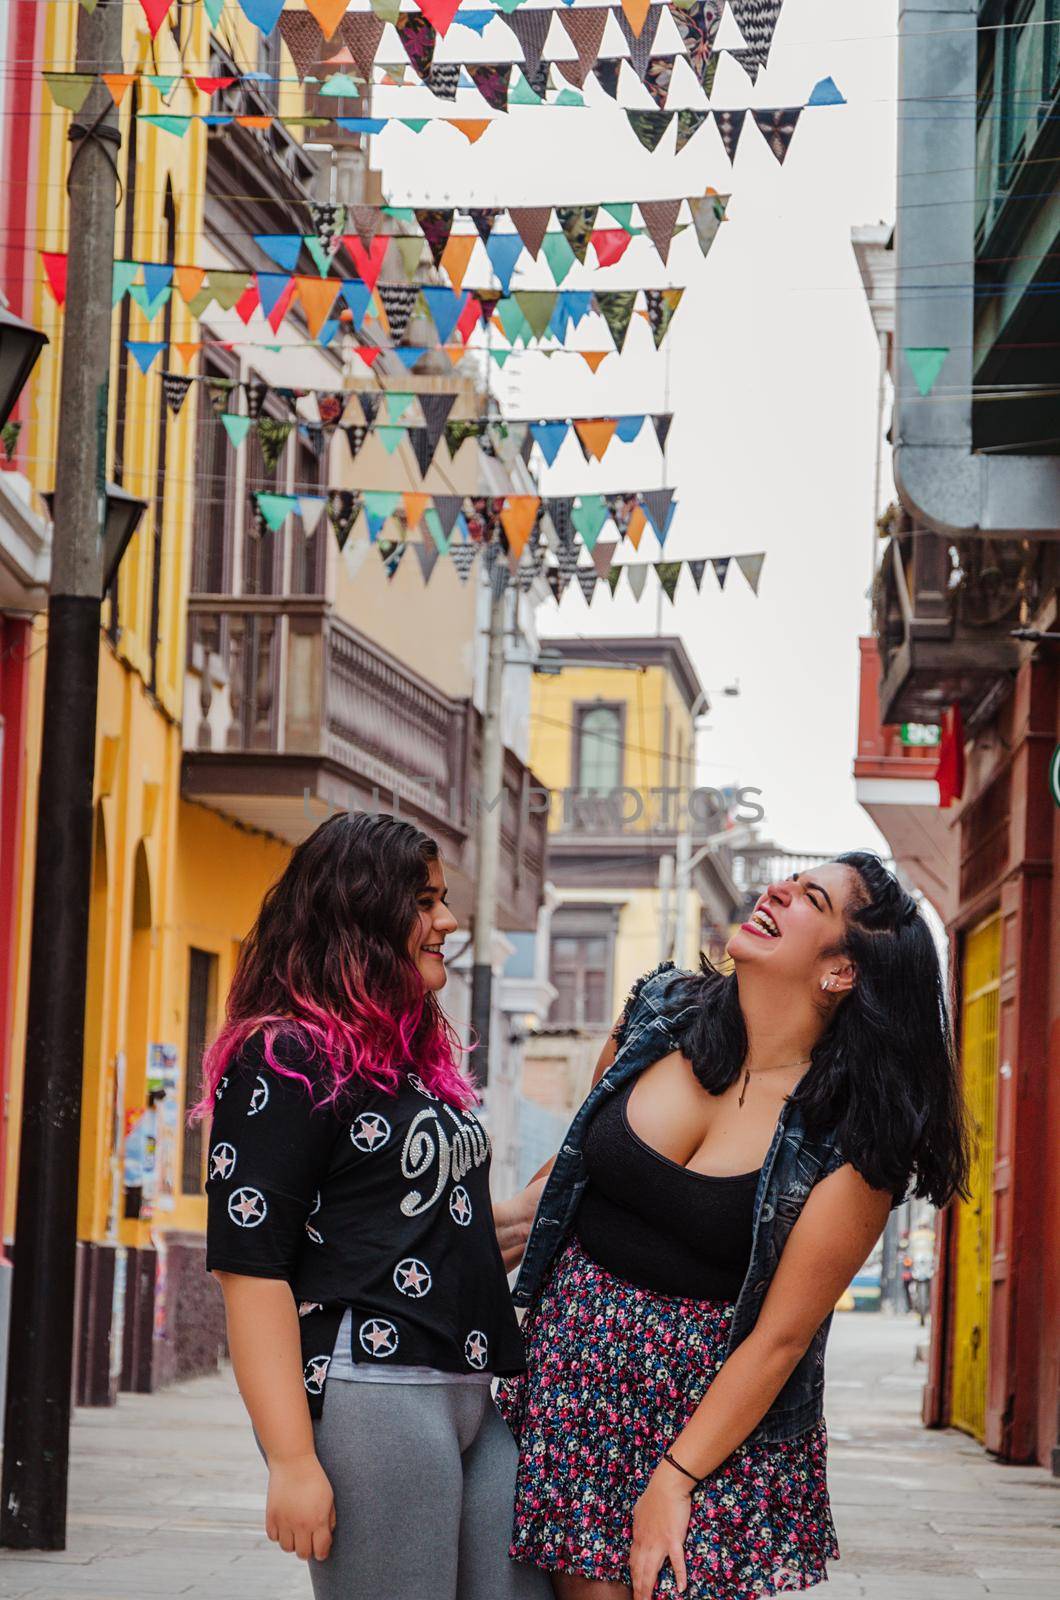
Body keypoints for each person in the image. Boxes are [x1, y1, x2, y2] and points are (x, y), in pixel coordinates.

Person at [494, 852, 970, 1600]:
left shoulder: (850, 1136)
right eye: (790, 880)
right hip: (572, 1391)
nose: (778, 890)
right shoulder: (660, 1011)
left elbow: (781, 1338)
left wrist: (674, 1482)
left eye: (812, 896)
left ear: (841, 971)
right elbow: (574, 1168)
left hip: (712, 1430)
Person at [198, 811, 550, 1600]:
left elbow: (414, 1232)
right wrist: (291, 1462)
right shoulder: (284, 1054)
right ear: (360, 914)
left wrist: (549, 1199)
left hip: (465, 1391)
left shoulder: (408, 1064)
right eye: (424, 902)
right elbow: (250, 1270)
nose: (448, 922)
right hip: (372, 1390)